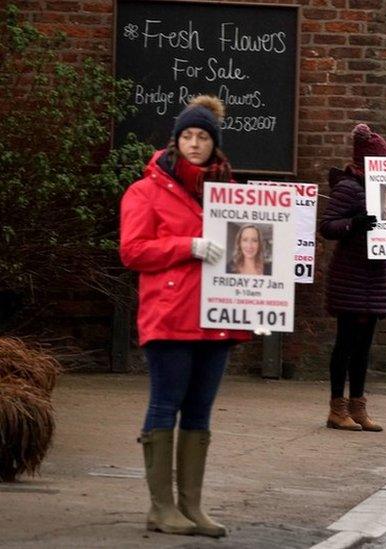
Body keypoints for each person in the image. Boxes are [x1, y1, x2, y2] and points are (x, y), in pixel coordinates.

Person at [119, 95, 247, 538]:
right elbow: (132, 251)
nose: (195, 144)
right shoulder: (145, 191)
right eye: (187, 136)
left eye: (203, 137)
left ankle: (191, 506)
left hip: (217, 315)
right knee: (165, 403)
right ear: (175, 142)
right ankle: (161, 507)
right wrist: (186, 246)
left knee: (199, 410)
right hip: (171, 314)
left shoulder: (228, 192)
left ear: (215, 144)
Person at [319, 123, 386, 432]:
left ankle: (358, 407)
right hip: (352, 278)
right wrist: (354, 224)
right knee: (346, 345)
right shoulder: (349, 188)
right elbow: (327, 226)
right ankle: (337, 408)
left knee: (364, 348)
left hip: (375, 277)